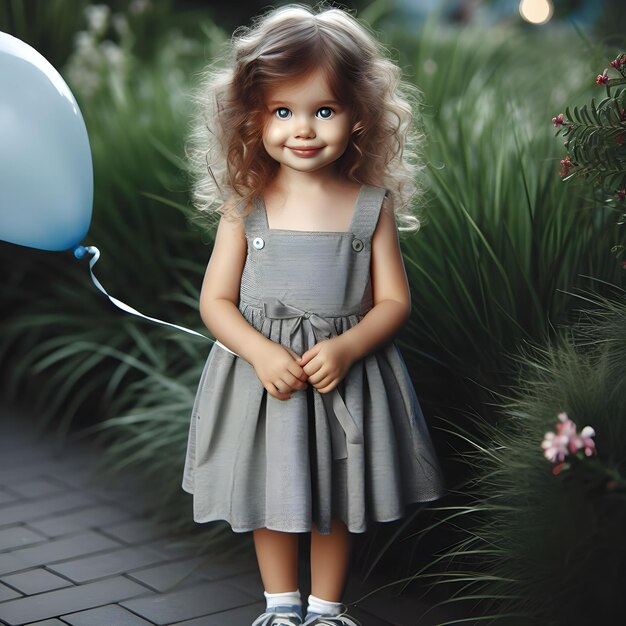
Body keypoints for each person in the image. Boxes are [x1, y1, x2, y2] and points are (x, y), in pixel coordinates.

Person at [181, 5, 445, 625]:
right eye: (283, 111)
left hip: (341, 378)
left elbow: (393, 302)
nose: (303, 128)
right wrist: (262, 351)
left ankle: (327, 608)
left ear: (359, 117)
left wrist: (349, 348)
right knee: (272, 493)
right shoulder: (247, 205)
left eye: (323, 110)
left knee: (334, 494)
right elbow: (214, 301)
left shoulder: (367, 207)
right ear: (253, 115)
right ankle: (279, 607)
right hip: (266, 381)